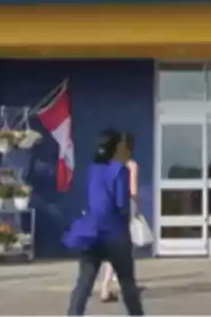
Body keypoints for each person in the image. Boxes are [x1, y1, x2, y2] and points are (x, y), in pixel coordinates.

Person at [65, 130, 145, 316]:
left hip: (91, 232)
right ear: (116, 148)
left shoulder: (93, 169)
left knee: (84, 283)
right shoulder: (120, 170)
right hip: (115, 233)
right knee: (127, 282)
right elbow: (121, 204)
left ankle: (73, 314)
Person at [99, 149, 139, 303]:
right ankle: (113, 287)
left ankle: (107, 286)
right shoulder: (130, 165)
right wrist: (137, 209)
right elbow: (133, 190)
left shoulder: (107, 166)